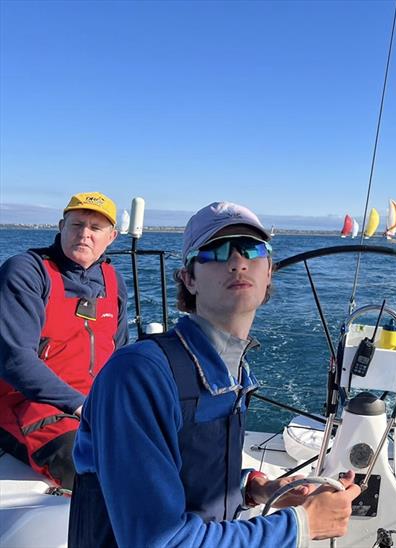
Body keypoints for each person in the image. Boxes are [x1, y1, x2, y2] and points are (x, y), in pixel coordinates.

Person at [68, 201, 361, 547]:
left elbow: (186, 478)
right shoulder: (138, 375)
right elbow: (158, 541)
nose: (238, 261)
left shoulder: (231, 370)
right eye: (217, 251)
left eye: (252, 248)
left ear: (269, 272)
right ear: (188, 278)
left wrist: (250, 488)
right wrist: (301, 524)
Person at [0, 191, 128, 489]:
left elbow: (120, 353)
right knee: (92, 465)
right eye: (76, 225)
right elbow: (15, 359)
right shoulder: (27, 271)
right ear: (61, 227)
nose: (84, 234)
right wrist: (82, 406)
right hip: (29, 405)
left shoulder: (113, 281)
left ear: (111, 237)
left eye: (96, 228)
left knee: (170, 448)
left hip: (95, 406)